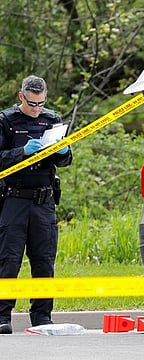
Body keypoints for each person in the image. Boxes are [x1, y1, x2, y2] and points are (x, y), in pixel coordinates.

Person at [0, 75, 72, 334]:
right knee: (8, 260)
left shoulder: (52, 120)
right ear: (21, 97)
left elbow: (66, 159)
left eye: (41, 103)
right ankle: (2, 317)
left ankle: (42, 317)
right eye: (32, 103)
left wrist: (63, 153)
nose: (37, 109)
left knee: (44, 261)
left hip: (44, 201)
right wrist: (21, 153)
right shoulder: (6, 122)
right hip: (14, 200)